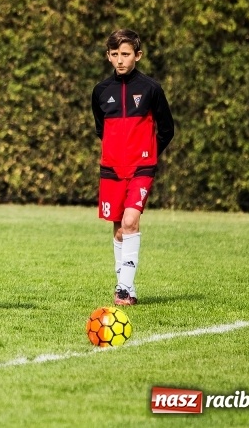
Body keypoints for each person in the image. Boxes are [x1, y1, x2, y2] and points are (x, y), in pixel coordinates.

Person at [91, 29, 174, 306]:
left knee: (130, 221)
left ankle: (123, 290)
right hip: (112, 169)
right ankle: (127, 285)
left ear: (137, 55)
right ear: (108, 56)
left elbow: (167, 129)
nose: (120, 60)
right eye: (114, 55)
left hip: (142, 167)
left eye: (125, 54)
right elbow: (101, 129)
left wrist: (148, 155)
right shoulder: (101, 91)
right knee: (118, 229)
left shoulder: (151, 89)